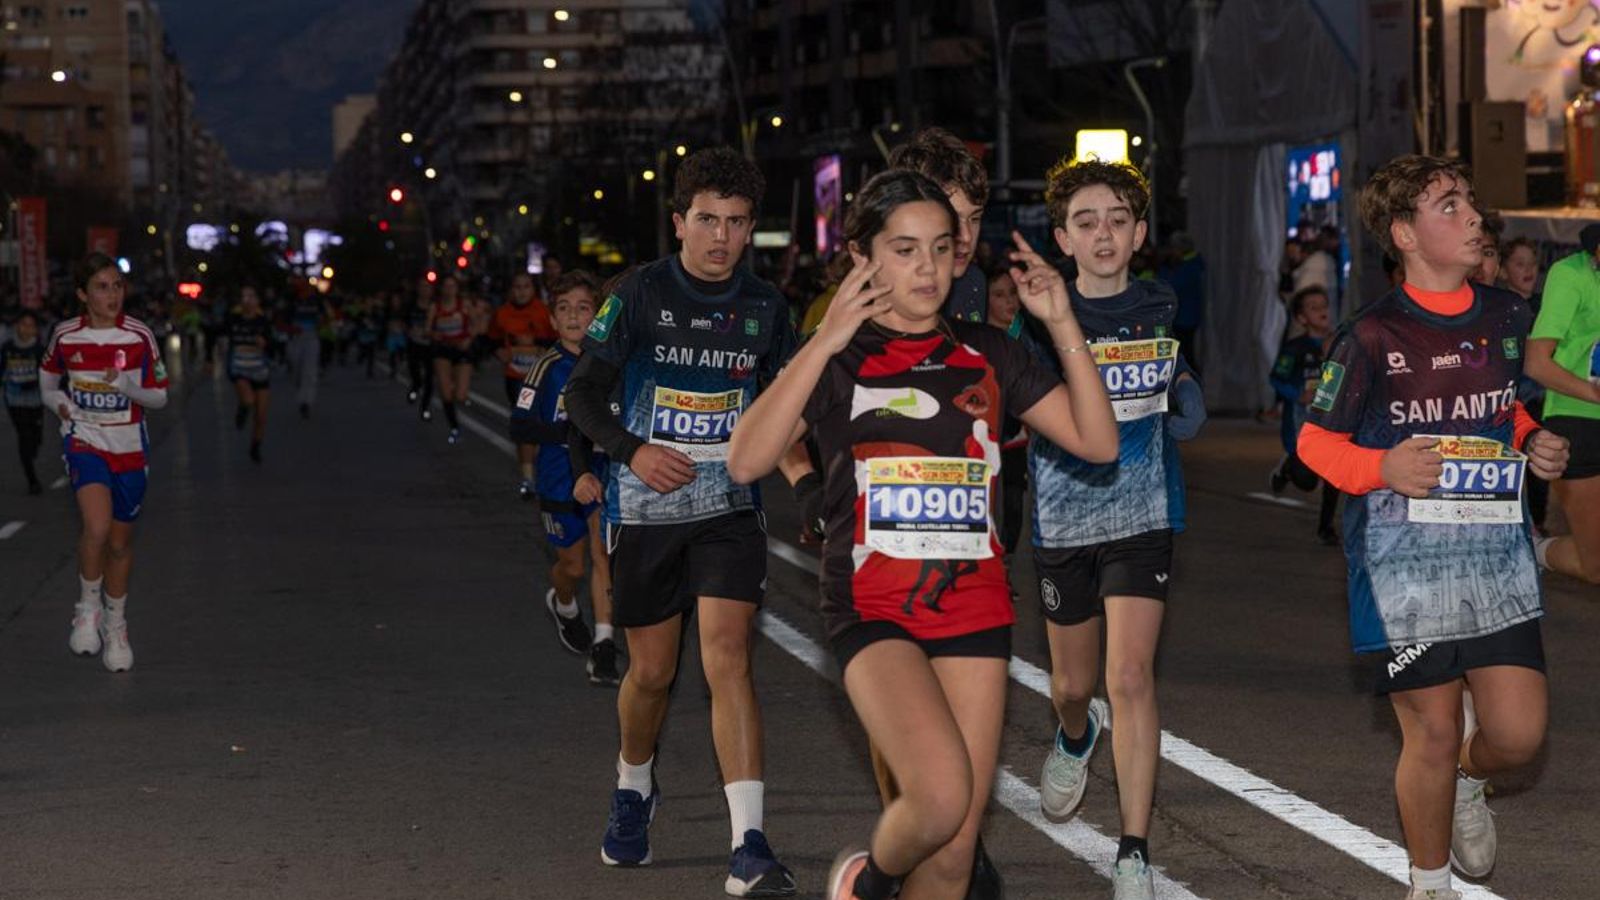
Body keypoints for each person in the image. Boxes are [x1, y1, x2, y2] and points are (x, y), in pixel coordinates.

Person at [724, 169, 1117, 900]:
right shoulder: (838, 355)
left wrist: (1063, 323)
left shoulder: (989, 352)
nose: (928, 268)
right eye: (904, 249)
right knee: (938, 797)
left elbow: (1097, 442)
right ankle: (869, 882)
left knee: (956, 849)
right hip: (872, 606)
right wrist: (824, 338)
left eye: (941, 247)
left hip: (976, 608)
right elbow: (746, 457)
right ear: (861, 257)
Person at [1298, 155, 1570, 900]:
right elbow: (1314, 441)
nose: (1473, 216)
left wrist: (1531, 440)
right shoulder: (1369, 335)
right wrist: (1382, 469)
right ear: (1405, 235)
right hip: (1402, 568)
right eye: (1450, 205)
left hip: (1494, 560)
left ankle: (1468, 783)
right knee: (1435, 729)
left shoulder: (1510, 317)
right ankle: (1428, 885)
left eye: (1469, 202)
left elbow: (1505, 411)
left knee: (1516, 735)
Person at [563, 147, 799, 895]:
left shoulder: (765, 307)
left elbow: (788, 410)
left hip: (729, 508)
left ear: (750, 227)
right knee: (654, 673)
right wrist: (630, 453)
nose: (720, 237)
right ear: (679, 221)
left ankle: (750, 845)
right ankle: (634, 784)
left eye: (734, 223)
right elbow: (584, 396)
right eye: (706, 220)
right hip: (647, 509)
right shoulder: (635, 295)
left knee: (729, 659)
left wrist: (811, 479)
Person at [1016, 157, 1207, 900]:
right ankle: (1073, 733)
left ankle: (1134, 852)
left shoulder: (1159, 304)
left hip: (1143, 511)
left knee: (1130, 676)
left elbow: (1170, 366)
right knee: (1073, 684)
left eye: (1118, 221)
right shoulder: (1039, 313)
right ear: (1063, 236)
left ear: (1139, 233)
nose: (1103, 234)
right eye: (1087, 222)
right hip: (1064, 514)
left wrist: (1185, 385)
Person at [41, 253, 171, 673]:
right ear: (83, 294)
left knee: (118, 542)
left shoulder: (139, 336)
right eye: (102, 286)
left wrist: (131, 388)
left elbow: (160, 396)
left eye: (117, 286)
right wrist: (61, 403)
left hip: (130, 446)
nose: (112, 294)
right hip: (86, 441)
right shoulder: (66, 336)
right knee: (95, 527)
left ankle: (117, 626)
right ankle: (87, 609)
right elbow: (47, 382)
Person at [508, 269, 620, 686]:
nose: (574, 316)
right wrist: (574, 432)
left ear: (599, 316)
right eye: (564, 309)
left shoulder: (613, 364)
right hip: (558, 478)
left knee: (603, 552)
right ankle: (564, 602)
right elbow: (520, 427)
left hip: (603, 473)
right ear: (552, 319)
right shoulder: (546, 368)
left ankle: (605, 645)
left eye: (584, 308)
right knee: (571, 566)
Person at [1525, 221, 1600, 583]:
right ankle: (1531, 550)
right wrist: (1594, 395)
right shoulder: (1570, 275)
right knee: (1596, 565)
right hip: (1578, 422)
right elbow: (1537, 363)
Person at [888, 127, 990, 324]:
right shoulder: (874, 299)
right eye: (952, 219)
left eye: (975, 219)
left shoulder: (973, 284)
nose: (966, 236)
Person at [1268, 286, 1342, 544]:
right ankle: (1288, 468)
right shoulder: (1295, 348)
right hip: (1301, 428)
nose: (1322, 311)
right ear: (1301, 318)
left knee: (1334, 476)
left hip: (1332, 426)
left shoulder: (1340, 343)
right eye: (1314, 307)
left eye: (1324, 306)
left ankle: (1326, 528)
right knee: (1308, 481)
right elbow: (1276, 378)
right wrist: (1296, 394)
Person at [493, 271, 558, 499]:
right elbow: (490, 338)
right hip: (517, 378)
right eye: (517, 287)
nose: (521, 291)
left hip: (543, 377)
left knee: (541, 425)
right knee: (526, 423)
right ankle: (528, 478)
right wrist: (498, 352)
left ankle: (536, 470)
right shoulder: (502, 313)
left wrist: (538, 344)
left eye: (526, 287)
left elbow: (557, 338)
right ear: (511, 290)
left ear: (533, 289)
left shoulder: (542, 311)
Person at [1500, 237, 1550, 531]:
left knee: (1540, 468)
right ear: (1504, 270)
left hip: (1542, 399)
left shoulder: (1545, 305)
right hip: (1512, 400)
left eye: (1532, 263)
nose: (1528, 270)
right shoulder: (1500, 308)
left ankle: (1538, 525)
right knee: (1513, 466)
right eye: (1520, 264)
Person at [224, 285, 273, 464]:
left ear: (257, 300)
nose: (247, 301)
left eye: (251, 297)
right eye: (244, 297)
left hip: (260, 369)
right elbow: (217, 333)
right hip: (239, 367)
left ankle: (255, 446)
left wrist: (266, 343)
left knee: (261, 415)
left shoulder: (263, 321)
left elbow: (273, 343)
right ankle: (242, 409)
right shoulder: (233, 319)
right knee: (248, 399)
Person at [425, 274, 473, 443]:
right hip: (442, 350)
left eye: (453, 286)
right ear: (441, 289)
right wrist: (433, 333)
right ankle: (454, 427)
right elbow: (427, 329)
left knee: (460, 395)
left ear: (457, 289)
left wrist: (468, 339)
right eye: (446, 286)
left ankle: (456, 389)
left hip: (461, 350)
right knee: (446, 393)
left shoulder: (464, 305)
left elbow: (476, 324)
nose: (449, 290)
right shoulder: (435, 307)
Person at [2, 310, 45, 493]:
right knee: (24, 437)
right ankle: (32, 480)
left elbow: (49, 374)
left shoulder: (39, 350)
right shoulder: (8, 348)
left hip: (35, 399)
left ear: (36, 329)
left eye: (30, 326)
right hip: (14, 399)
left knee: (36, 438)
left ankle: (32, 449)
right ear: (16, 326)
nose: (26, 329)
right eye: (23, 325)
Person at [287, 288, 324, 419]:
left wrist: (320, 325)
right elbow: (281, 319)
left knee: (309, 372)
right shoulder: (291, 301)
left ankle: (306, 402)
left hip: (312, 338)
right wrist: (290, 328)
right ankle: (300, 386)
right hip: (296, 338)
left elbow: (325, 317)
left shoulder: (317, 301)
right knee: (297, 370)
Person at [405, 276, 435, 409]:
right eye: (422, 287)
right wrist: (409, 330)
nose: (424, 290)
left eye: (427, 287)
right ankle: (414, 389)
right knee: (415, 374)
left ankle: (425, 407)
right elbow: (403, 321)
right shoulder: (411, 305)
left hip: (430, 345)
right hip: (414, 344)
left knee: (429, 378)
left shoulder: (435, 307)